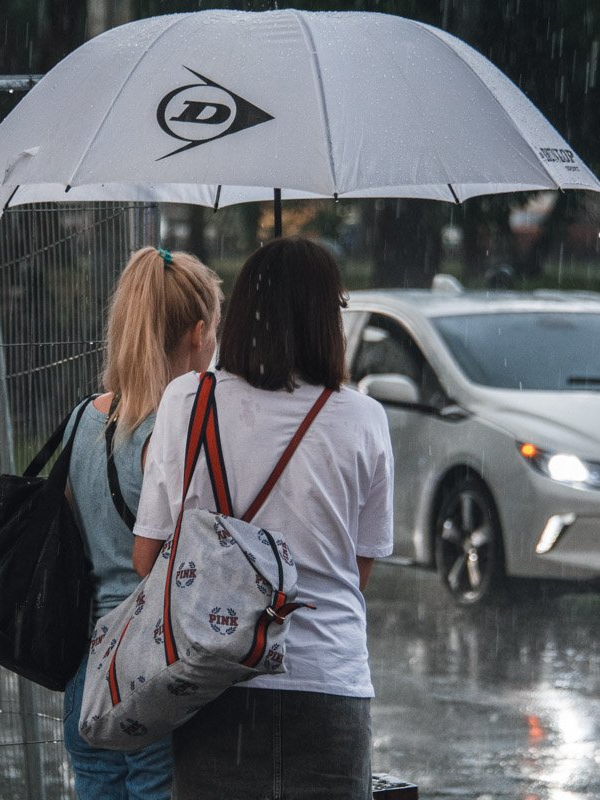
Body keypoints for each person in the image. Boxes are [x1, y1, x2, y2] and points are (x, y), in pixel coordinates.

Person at [132, 236, 395, 800]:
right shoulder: (365, 419)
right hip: (330, 684)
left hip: (213, 679)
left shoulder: (186, 401)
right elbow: (357, 571)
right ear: (327, 319)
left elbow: (147, 558)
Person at [62, 246, 221, 800]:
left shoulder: (82, 420)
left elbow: (73, 537)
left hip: (87, 664)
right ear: (198, 333)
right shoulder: (176, 434)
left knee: (96, 785)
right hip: (154, 662)